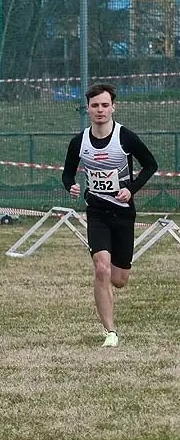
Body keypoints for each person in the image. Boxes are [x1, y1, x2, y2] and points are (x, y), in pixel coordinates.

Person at [61, 83, 158, 348]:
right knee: (101, 269)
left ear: (113, 107)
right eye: (95, 105)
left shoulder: (125, 137)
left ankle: (117, 275)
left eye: (105, 105)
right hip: (97, 212)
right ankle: (110, 332)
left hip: (124, 213)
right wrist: (70, 185)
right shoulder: (79, 142)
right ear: (88, 109)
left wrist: (131, 189)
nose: (100, 110)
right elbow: (67, 173)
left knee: (119, 279)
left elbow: (151, 165)